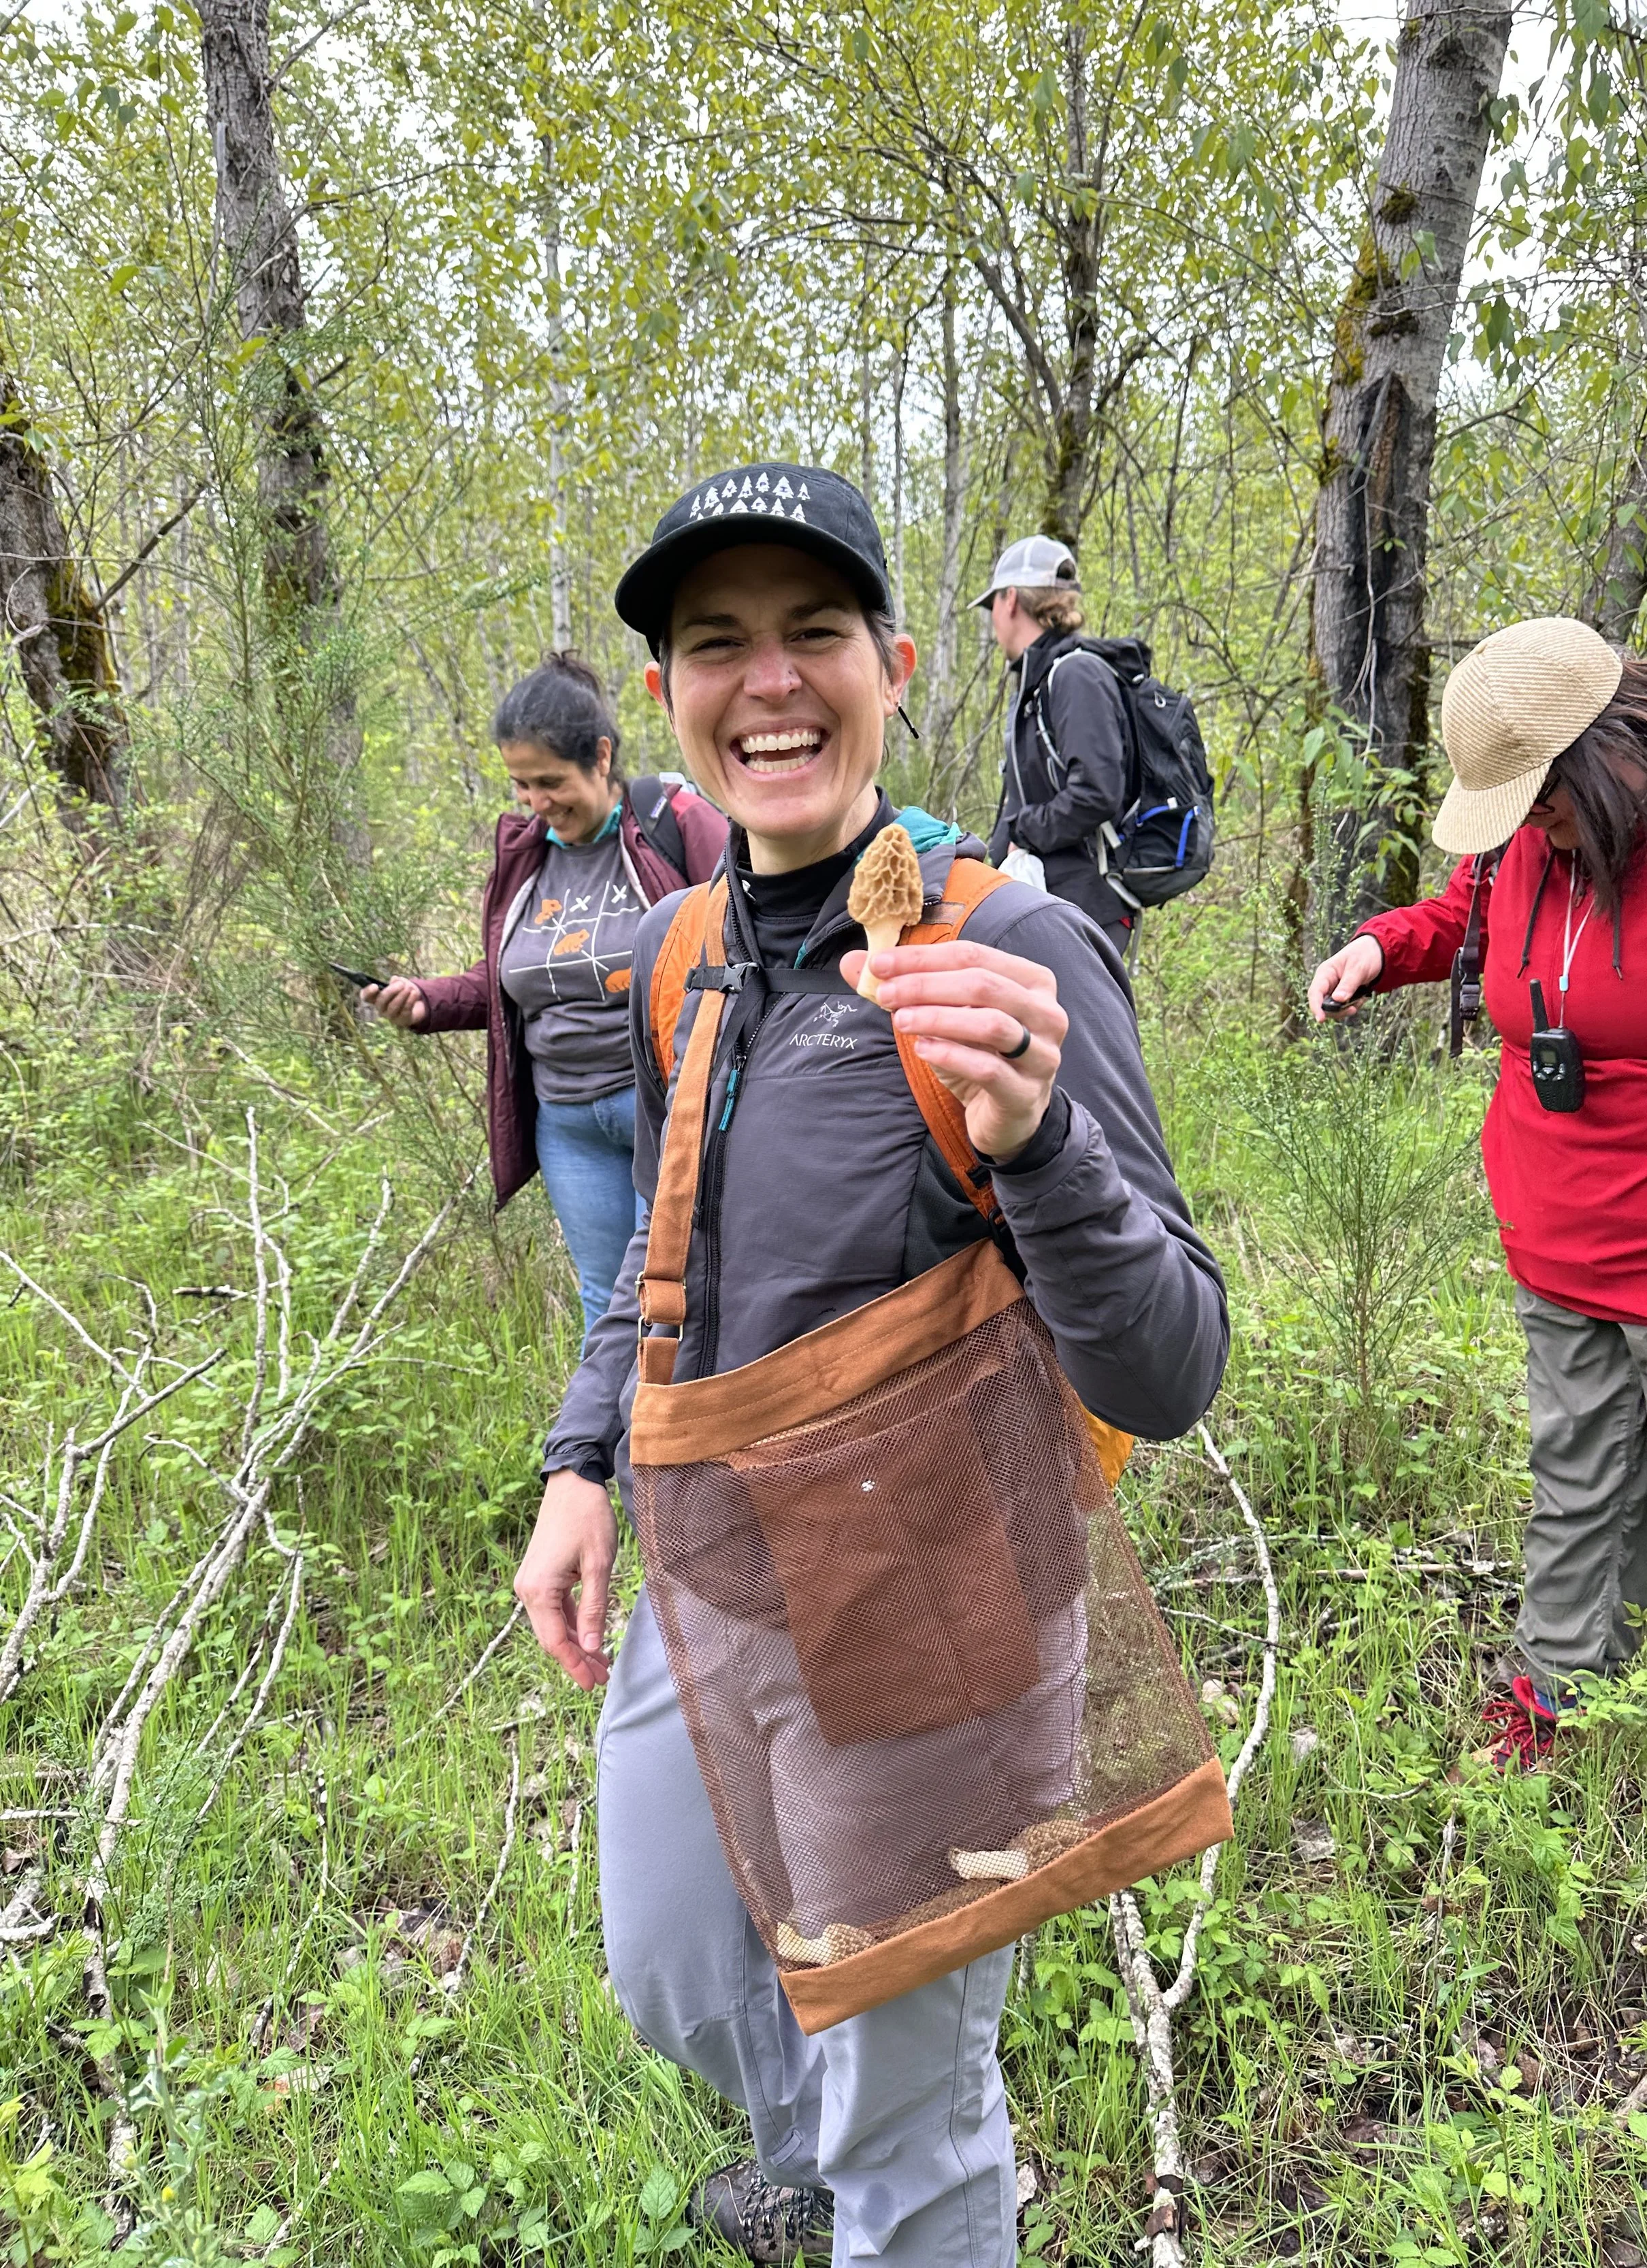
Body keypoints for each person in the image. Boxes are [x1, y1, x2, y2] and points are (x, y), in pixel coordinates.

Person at [512, 463, 1230, 2266]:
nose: (770, 680)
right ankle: (838, 2165)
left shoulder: (1003, 940)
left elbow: (1170, 1359)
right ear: (669, 698)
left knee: (912, 2095)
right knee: (671, 1961)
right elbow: (661, 1257)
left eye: (813, 632)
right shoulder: (686, 948)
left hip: (930, 1585)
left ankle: (911, 2195)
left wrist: (1040, 1138)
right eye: (716, 642)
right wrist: (583, 1458)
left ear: (894, 663)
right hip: (717, 1555)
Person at [1308, 617, 1647, 1771]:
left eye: (1543, 801)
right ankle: (1565, 1699)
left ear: (1607, 754)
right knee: (1582, 1485)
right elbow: (1470, 920)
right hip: (1558, 1238)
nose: (1533, 827)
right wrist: (1384, 946)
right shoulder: (1530, 837)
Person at [366, 652, 725, 1330]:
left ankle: (696, 1428)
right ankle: (611, 1439)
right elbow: (506, 977)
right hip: (567, 1123)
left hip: (665, 1105)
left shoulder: (671, 823)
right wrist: (425, 999)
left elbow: (746, 930)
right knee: (606, 1304)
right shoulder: (525, 856)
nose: (535, 803)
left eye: (549, 781)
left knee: (683, 1291)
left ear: (600, 757)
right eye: (521, 784)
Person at [979, 535, 1141, 957]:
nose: (993, 619)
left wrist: (1024, 832)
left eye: (992, 604)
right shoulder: (1037, 685)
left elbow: (1096, 792)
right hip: (1050, 902)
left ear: (1010, 600)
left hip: (1086, 907)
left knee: (1073, 1026)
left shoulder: (1075, 675)